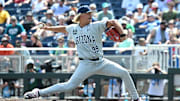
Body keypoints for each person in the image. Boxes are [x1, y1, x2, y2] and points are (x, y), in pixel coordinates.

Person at [24, 6, 141, 101]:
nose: (91, 15)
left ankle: (136, 98)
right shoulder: (73, 28)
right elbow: (63, 28)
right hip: (85, 64)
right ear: (80, 16)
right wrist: (47, 28)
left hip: (101, 62)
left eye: (91, 13)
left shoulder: (96, 25)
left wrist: (122, 34)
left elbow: (114, 22)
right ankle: (38, 92)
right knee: (69, 86)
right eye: (88, 13)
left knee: (124, 73)